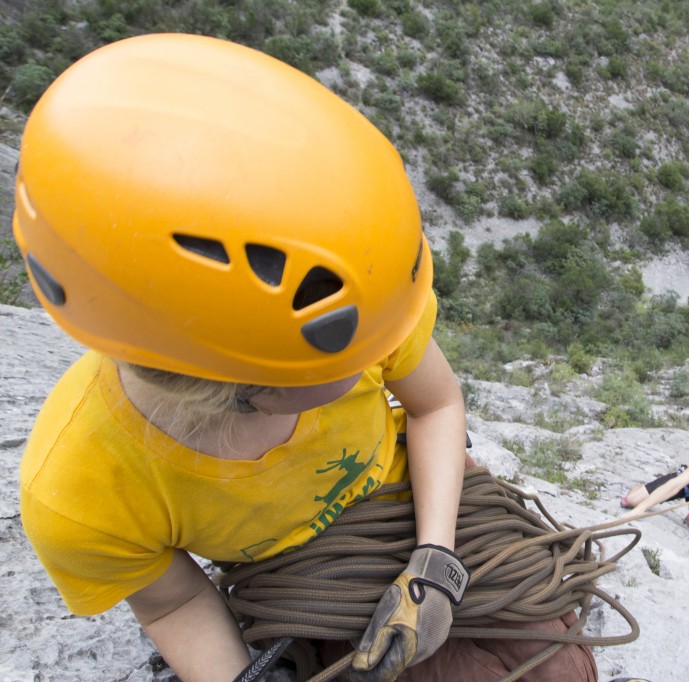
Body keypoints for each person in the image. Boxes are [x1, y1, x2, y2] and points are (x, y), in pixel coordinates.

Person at [14, 34, 595, 682]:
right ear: (226, 386)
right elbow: (173, 603)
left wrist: (435, 560)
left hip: (416, 493)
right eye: (343, 366)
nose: (382, 354)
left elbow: (437, 405)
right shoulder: (80, 495)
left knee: (558, 667)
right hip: (299, 579)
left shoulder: (354, 300)